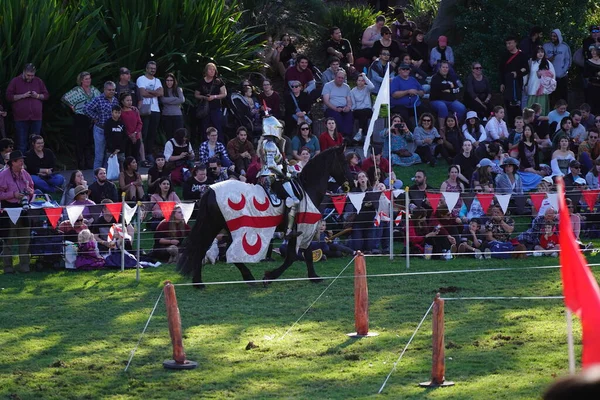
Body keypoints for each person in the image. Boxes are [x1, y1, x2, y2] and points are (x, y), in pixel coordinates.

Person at [256, 116, 301, 238]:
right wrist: (285, 175)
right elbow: (271, 165)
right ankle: (288, 230)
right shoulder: (270, 145)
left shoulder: (268, 143)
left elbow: (280, 162)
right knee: (294, 200)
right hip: (271, 177)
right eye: (279, 129)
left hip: (271, 175)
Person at [0, 151, 34, 273]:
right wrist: (13, 194)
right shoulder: (3, 175)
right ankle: (8, 268)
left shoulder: (25, 173)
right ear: (13, 162)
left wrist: (30, 193)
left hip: (23, 209)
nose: (22, 162)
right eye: (19, 160)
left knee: (25, 239)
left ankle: (25, 267)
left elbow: (32, 187)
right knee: (8, 240)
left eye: (22, 160)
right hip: (8, 211)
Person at [5, 63, 49, 152]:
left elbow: (46, 95)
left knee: (35, 143)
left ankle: (34, 163)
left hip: (36, 117)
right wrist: (23, 96)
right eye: (28, 75)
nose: (30, 77)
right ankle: (22, 164)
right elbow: (8, 97)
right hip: (21, 117)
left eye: (32, 75)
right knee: (22, 143)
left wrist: (37, 96)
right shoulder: (15, 81)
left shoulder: (38, 81)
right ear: (24, 72)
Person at [62, 71, 101, 169]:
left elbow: (100, 99)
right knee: (80, 141)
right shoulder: (77, 90)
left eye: (89, 78)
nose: (88, 80)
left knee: (89, 141)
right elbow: (65, 98)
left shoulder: (94, 90)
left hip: (92, 118)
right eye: (86, 79)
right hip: (80, 117)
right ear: (81, 80)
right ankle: (80, 163)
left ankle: (89, 162)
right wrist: (72, 107)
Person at [84, 81, 119, 169]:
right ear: (104, 90)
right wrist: (95, 117)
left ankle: (106, 177)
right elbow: (86, 108)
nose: (111, 92)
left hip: (111, 131)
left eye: (113, 90)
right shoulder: (98, 99)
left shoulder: (115, 100)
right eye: (109, 90)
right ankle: (96, 178)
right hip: (100, 129)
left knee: (109, 155)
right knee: (99, 156)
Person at [345, 171, 379, 253]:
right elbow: (349, 201)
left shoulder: (372, 191)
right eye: (359, 177)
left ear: (367, 178)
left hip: (370, 221)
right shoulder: (354, 192)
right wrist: (355, 187)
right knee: (358, 248)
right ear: (357, 181)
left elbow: (377, 204)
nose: (362, 178)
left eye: (363, 176)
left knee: (369, 248)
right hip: (358, 222)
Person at [137, 61, 163, 164]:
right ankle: (140, 155)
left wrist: (149, 91)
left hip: (156, 110)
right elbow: (142, 93)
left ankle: (149, 154)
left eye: (154, 68)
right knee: (144, 133)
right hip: (145, 110)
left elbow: (161, 93)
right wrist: (155, 93)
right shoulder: (141, 79)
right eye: (151, 68)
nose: (153, 70)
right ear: (147, 69)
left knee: (152, 133)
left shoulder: (158, 80)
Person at [499, 36, 529, 124]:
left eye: (510, 43)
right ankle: (511, 127)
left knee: (517, 106)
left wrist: (517, 73)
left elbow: (526, 69)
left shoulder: (522, 55)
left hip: (517, 85)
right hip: (507, 85)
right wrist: (502, 83)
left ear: (515, 43)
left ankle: (519, 126)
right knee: (508, 106)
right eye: (506, 44)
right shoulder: (504, 56)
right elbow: (501, 70)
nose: (508, 45)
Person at [194, 63, 226, 142]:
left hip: (216, 108)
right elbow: (196, 94)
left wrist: (214, 97)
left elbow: (224, 94)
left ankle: (220, 146)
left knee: (218, 127)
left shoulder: (218, 81)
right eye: (210, 69)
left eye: (213, 70)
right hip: (205, 108)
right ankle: (206, 147)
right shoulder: (201, 82)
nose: (212, 71)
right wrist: (204, 97)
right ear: (206, 70)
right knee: (205, 128)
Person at [390, 63, 427, 127]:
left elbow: (422, 92)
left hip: (414, 105)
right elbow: (394, 94)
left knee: (426, 113)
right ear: (399, 71)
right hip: (400, 105)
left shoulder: (413, 79)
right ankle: (410, 133)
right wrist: (407, 92)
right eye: (403, 69)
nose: (405, 70)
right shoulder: (395, 80)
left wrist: (416, 92)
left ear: (409, 71)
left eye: (407, 69)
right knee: (404, 115)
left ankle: (426, 132)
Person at [322, 69, 353, 140]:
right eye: (339, 77)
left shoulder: (346, 87)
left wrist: (348, 107)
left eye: (342, 78)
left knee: (349, 115)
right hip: (331, 108)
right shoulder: (328, 85)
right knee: (337, 117)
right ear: (335, 77)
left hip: (343, 108)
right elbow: (326, 101)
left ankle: (347, 137)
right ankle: (339, 136)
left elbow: (349, 100)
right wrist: (335, 108)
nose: (340, 79)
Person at [543, 29, 572, 105]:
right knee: (551, 97)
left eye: (555, 36)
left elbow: (568, 60)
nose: (553, 38)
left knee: (562, 96)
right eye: (552, 36)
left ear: (558, 37)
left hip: (561, 76)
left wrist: (564, 71)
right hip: (550, 77)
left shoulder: (564, 47)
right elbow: (542, 59)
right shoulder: (545, 46)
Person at [525, 46, 556, 114]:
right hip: (532, 88)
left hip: (543, 90)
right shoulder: (531, 62)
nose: (540, 54)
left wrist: (544, 75)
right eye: (538, 52)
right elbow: (527, 75)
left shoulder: (548, 63)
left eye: (542, 52)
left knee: (542, 109)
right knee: (530, 109)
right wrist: (525, 85)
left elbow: (553, 76)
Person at [118, 92, 143, 161]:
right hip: (126, 138)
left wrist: (135, 133)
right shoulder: (120, 112)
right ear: (122, 102)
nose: (129, 102)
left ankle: (135, 170)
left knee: (136, 157)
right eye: (127, 100)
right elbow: (121, 125)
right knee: (127, 157)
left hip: (136, 137)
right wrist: (129, 135)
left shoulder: (135, 110)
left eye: (130, 100)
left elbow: (140, 123)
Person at [350, 73, 375, 142]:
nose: (360, 82)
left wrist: (364, 76)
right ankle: (366, 136)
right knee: (363, 115)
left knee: (365, 112)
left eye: (362, 80)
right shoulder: (352, 91)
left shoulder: (367, 88)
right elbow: (353, 104)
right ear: (356, 81)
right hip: (358, 110)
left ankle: (360, 132)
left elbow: (372, 86)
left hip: (368, 110)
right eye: (359, 80)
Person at [160, 73, 185, 138]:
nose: (169, 82)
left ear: (174, 81)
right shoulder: (162, 90)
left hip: (177, 115)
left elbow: (182, 100)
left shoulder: (178, 89)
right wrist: (175, 99)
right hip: (166, 115)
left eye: (171, 80)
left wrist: (168, 100)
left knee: (179, 135)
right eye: (167, 80)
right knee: (169, 136)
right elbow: (163, 100)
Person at [584, 44, 600, 115]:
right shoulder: (588, 62)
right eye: (592, 50)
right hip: (592, 87)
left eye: (595, 50)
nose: (593, 52)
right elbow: (586, 75)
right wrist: (596, 76)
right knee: (592, 106)